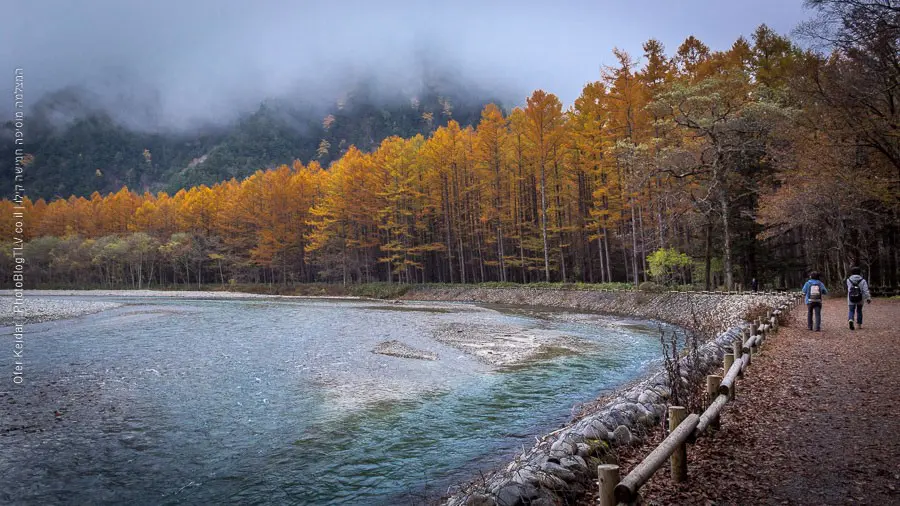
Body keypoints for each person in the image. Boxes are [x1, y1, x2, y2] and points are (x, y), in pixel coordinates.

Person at [846, 266, 872, 330]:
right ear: (859, 272)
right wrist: (868, 298)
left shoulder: (848, 280)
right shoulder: (863, 280)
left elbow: (849, 289)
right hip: (860, 298)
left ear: (852, 272)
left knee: (851, 310)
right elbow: (865, 290)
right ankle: (859, 325)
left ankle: (851, 319)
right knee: (859, 311)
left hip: (851, 298)